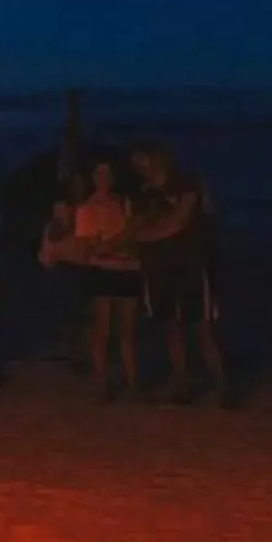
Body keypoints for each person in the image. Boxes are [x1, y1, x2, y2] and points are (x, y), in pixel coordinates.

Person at [128, 144, 229, 406]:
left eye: (143, 159)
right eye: (136, 162)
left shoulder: (187, 183)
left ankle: (222, 386)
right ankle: (182, 384)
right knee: (171, 327)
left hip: (192, 267)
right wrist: (152, 232)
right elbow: (137, 227)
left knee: (203, 328)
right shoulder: (143, 194)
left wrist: (151, 233)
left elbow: (179, 221)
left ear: (158, 158)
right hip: (160, 270)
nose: (139, 166)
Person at [72, 159, 143, 402]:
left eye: (107, 174)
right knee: (102, 330)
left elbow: (133, 239)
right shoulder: (85, 209)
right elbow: (86, 248)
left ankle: (133, 383)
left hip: (127, 270)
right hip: (102, 272)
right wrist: (112, 247)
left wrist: (106, 246)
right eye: (99, 174)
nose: (103, 179)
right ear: (93, 178)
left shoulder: (124, 203)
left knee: (128, 330)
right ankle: (103, 384)